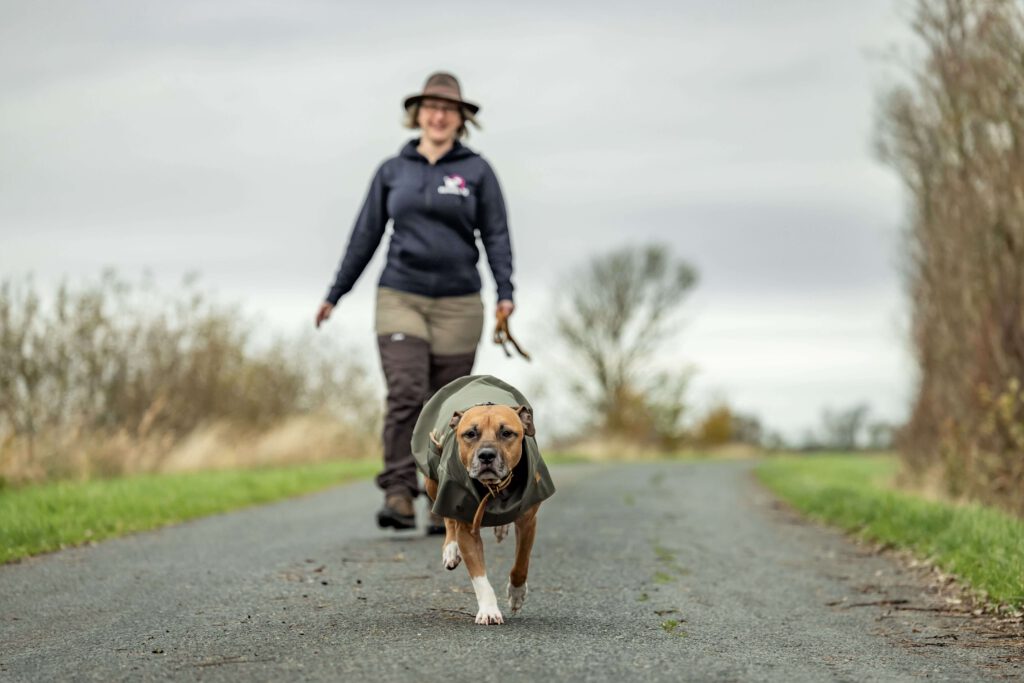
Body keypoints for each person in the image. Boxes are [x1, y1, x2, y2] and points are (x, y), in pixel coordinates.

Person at [315, 72, 516, 534]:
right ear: (418, 114)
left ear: (460, 118)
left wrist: (506, 293)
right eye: (431, 107)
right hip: (400, 295)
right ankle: (398, 492)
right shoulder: (393, 171)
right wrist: (335, 294)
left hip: (459, 302)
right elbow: (364, 235)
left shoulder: (477, 172)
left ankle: (440, 497)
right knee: (406, 392)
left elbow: (497, 236)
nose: (439, 115)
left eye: (448, 108)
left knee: (446, 406)